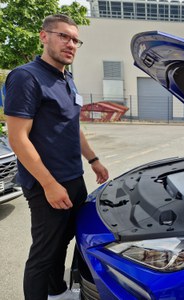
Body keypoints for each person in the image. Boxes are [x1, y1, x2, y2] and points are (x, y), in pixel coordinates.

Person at [4, 14, 109, 300]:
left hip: (73, 177)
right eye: (63, 36)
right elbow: (17, 138)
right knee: (44, 252)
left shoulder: (67, 79)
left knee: (67, 239)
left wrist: (93, 159)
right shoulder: (26, 77)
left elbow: (72, 126)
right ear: (43, 36)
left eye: (75, 39)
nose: (71, 44)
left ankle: (57, 290)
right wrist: (49, 185)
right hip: (45, 184)